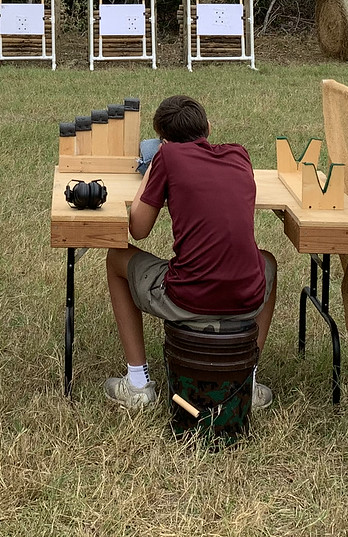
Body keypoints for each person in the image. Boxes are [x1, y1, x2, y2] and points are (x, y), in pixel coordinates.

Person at [102, 94, 277, 410]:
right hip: (245, 296)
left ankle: (138, 383)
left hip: (187, 296)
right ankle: (246, 379)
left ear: (163, 142)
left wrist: (156, 164)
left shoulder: (167, 159)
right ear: (209, 127)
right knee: (268, 261)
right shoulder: (240, 155)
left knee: (116, 257)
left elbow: (138, 229)